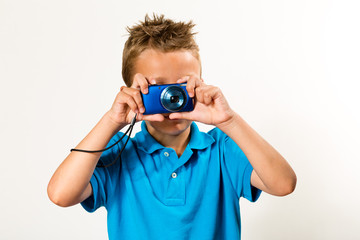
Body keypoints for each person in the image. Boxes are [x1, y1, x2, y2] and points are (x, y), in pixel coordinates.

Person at [47, 14, 297, 239]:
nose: (172, 101)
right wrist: (112, 121)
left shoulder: (222, 149)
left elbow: (283, 184)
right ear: (131, 92)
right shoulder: (118, 154)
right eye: (158, 90)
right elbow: (60, 195)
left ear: (200, 83)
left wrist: (228, 121)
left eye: (180, 87)